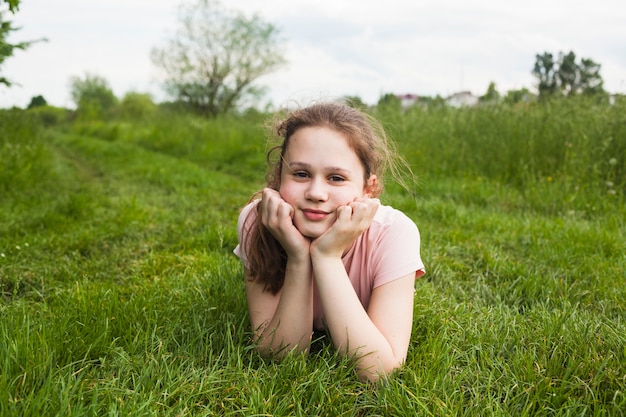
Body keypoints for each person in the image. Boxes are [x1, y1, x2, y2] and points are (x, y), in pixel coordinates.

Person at [233, 102, 425, 382]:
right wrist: (299, 257)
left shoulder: (394, 233)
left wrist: (327, 257)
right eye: (300, 174)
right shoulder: (258, 220)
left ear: (368, 188)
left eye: (336, 178)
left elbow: (379, 371)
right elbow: (279, 356)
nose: (316, 193)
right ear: (279, 176)